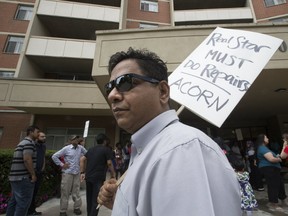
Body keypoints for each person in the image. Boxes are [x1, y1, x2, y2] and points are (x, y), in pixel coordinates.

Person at [97, 47, 241, 215]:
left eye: (125, 82)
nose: (112, 95)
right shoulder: (149, 147)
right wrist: (122, 203)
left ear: (163, 92)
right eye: (110, 87)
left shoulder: (179, 150)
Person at [6, 125, 40, 216]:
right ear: (31, 132)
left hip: (15, 178)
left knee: (13, 202)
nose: (38, 134)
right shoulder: (29, 143)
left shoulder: (21, 143)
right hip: (23, 178)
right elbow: (27, 159)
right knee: (23, 204)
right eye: (37, 132)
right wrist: (33, 174)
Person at [80, 133, 115, 216]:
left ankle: (89, 214)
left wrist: (82, 172)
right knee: (96, 199)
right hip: (98, 178)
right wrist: (113, 174)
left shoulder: (91, 149)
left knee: (89, 198)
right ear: (105, 141)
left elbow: (82, 159)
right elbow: (109, 163)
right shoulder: (106, 150)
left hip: (89, 177)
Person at [52, 135, 87, 216]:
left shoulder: (81, 148)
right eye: (74, 139)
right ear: (70, 141)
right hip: (67, 173)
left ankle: (77, 208)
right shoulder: (66, 148)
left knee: (76, 191)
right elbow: (54, 156)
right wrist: (62, 164)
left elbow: (87, 154)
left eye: (77, 139)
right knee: (65, 192)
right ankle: (63, 210)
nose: (76, 140)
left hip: (76, 173)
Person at [256, 134, 288, 212]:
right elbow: (271, 159)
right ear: (262, 139)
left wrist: (278, 157)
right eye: (266, 137)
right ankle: (273, 204)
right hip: (269, 169)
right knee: (273, 185)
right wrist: (279, 158)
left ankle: (283, 200)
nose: (268, 138)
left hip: (274, 169)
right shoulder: (262, 148)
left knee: (280, 184)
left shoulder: (265, 148)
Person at [28, 132, 47, 216]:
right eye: (42, 136)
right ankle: (28, 211)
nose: (44, 138)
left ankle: (32, 210)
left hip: (40, 172)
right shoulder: (32, 145)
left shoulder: (43, 146)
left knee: (35, 192)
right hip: (32, 173)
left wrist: (43, 167)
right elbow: (28, 159)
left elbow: (43, 157)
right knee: (29, 193)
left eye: (44, 136)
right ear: (37, 137)